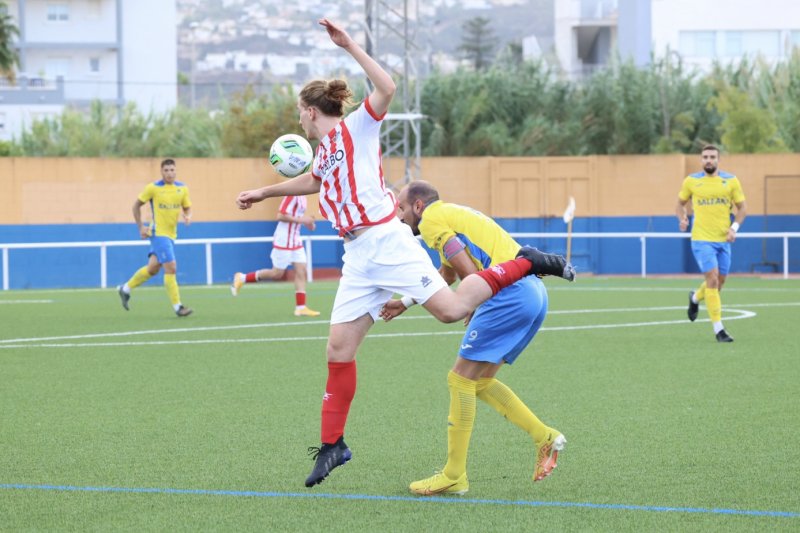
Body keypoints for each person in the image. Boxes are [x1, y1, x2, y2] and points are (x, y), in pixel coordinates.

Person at [235, 18, 575, 489]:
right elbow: (314, 181)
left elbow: (388, 86)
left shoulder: (357, 126)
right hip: (356, 255)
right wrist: (264, 191)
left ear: (312, 111)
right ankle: (334, 445)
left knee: (452, 311)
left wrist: (349, 44)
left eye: (299, 111)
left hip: (384, 239)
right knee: (338, 348)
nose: (297, 119)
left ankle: (528, 262)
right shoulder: (326, 154)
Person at [379, 181, 565, 495]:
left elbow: (468, 273)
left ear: (419, 206)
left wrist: (474, 299)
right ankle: (543, 436)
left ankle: (454, 475)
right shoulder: (450, 215)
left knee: (459, 380)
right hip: (533, 292)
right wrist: (405, 302)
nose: (399, 215)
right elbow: (447, 273)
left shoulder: (432, 222)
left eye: (401, 207)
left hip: (508, 293)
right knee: (478, 382)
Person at [676, 145, 747, 342]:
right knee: (713, 279)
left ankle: (695, 298)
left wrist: (734, 228)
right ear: (701, 160)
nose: (709, 160)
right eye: (705, 157)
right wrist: (682, 218)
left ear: (718, 160)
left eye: (712, 157)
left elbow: (742, 209)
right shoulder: (691, 181)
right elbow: (680, 203)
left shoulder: (730, 181)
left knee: (719, 283)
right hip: (701, 239)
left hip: (723, 240)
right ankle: (719, 330)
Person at [117, 159, 193, 317]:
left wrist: (187, 215)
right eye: (166, 170)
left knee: (152, 268)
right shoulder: (153, 188)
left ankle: (125, 289)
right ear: (161, 172)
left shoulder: (182, 188)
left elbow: (187, 206)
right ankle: (178, 307)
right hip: (158, 233)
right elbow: (136, 205)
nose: (170, 173)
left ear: (176, 171)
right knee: (171, 267)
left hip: (171, 235)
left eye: (172, 170)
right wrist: (140, 227)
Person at [231, 195, 321, 317]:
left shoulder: (303, 196)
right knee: (277, 273)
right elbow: (280, 215)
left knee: (301, 271)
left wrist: (308, 223)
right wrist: (302, 220)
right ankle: (242, 278)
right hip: (283, 239)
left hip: (295, 239)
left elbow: (298, 217)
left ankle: (301, 307)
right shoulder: (292, 195)